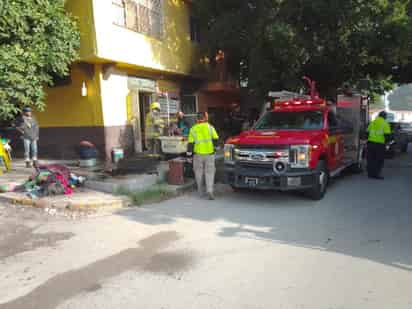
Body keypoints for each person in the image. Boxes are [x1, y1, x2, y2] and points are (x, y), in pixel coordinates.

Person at [187, 112, 219, 200]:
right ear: (205, 118)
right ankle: (209, 190)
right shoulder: (210, 127)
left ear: (197, 119)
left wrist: (189, 156)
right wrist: (215, 149)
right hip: (209, 153)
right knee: (210, 172)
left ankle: (200, 191)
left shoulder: (193, 129)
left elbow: (190, 144)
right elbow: (216, 139)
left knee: (198, 172)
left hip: (198, 154)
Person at [367, 111, 391, 179]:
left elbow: (367, 132)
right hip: (379, 145)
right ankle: (376, 174)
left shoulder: (373, 122)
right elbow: (387, 135)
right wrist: (387, 144)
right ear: (385, 116)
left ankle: (370, 173)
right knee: (378, 160)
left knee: (370, 159)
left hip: (370, 143)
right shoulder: (385, 123)